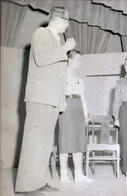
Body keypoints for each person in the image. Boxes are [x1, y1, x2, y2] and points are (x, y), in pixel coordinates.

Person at [15, 7, 76, 193]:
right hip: (39, 98)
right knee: (34, 142)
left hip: (51, 100)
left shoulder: (58, 39)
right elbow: (41, 59)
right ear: (59, 20)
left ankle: (38, 181)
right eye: (66, 23)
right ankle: (26, 187)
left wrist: (61, 99)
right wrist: (65, 49)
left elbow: (58, 74)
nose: (67, 27)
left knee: (44, 144)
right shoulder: (41, 33)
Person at [58, 50, 93, 183]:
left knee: (79, 142)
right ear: (69, 60)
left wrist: (85, 114)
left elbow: (83, 98)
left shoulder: (79, 79)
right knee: (65, 141)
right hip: (66, 108)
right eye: (78, 59)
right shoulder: (61, 75)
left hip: (78, 109)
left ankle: (78, 175)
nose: (80, 62)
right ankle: (63, 175)